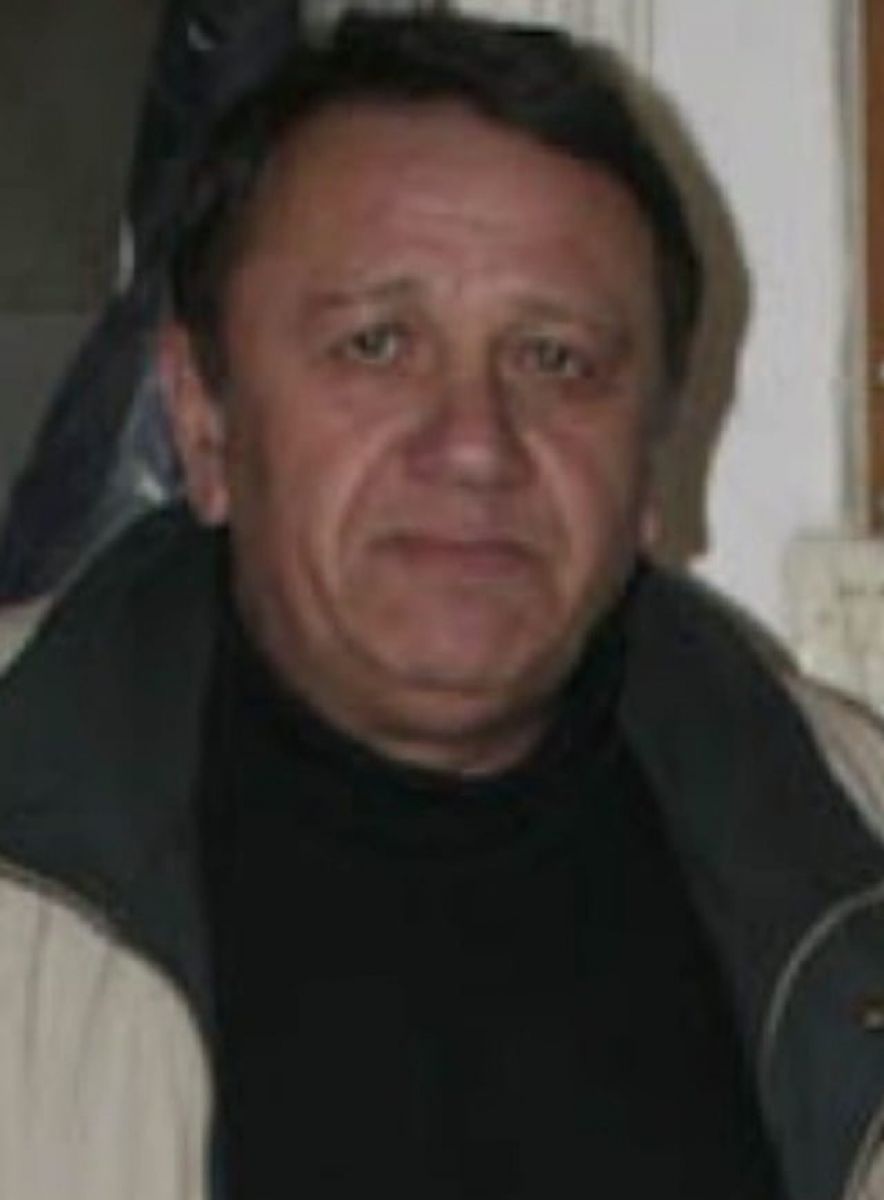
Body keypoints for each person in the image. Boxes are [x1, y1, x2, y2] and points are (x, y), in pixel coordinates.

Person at [1, 10, 884, 1200]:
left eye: (555, 358)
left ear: (648, 468)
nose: (474, 445)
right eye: (376, 344)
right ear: (203, 420)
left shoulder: (849, 845)